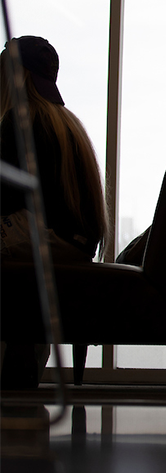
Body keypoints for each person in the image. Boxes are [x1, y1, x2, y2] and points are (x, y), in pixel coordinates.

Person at [0, 36, 107, 387]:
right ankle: (24, 359)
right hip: (74, 242)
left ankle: (15, 360)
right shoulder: (67, 123)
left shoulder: (21, 119)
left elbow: (7, 199)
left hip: (46, 234)